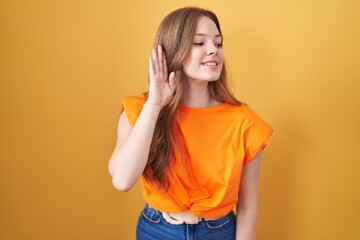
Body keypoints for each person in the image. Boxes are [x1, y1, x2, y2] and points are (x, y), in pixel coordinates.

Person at [108, 7, 273, 240]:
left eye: (218, 43)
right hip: (156, 230)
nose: (212, 50)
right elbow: (122, 180)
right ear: (173, 49)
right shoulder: (139, 109)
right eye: (199, 43)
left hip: (220, 231)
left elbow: (247, 207)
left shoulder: (245, 123)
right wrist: (155, 105)